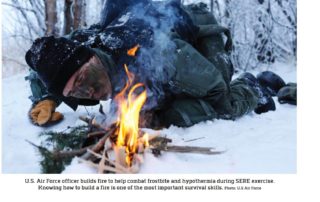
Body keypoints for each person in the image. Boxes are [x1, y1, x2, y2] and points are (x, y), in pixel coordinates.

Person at [25, 0, 295, 128]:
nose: (89, 94)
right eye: (76, 93)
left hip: (198, 45)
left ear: (90, 57)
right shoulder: (86, 43)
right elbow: (41, 61)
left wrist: (160, 116)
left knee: (222, 106)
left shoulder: (160, 54)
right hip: (148, 62)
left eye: (84, 81)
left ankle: (255, 85)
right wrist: (47, 98)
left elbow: (217, 93)